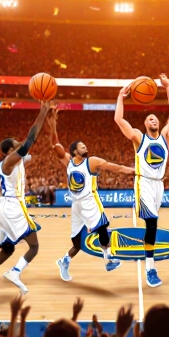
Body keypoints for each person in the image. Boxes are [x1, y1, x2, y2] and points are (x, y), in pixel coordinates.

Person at [0, 101, 51, 295]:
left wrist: (52, 124)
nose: (20, 147)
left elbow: (28, 153)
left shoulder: (13, 162)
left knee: (8, 248)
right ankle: (15, 272)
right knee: (34, 246)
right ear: (10, 151)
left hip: (6, 205)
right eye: (16, 145)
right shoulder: (9, 162)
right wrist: (42, 112)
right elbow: (30, 140)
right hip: (11, 207)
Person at [47, 107, 132, 280]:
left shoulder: (91, 162)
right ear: (74, 152)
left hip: (88, 200)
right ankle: (65, 261)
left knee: (102, 227)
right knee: (77, 243)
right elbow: (55, 144)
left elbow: (114, 167)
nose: (85, 146)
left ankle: (107, 260)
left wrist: (133, 171)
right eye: (81, 146)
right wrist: (52, 125)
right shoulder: (69, 162)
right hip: (78, 204)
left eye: (85, 145)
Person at [114, 74, 169, 288]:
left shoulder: (166, 137)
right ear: (144, 124)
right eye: (149, 118)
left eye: (156, 118)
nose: (154, 120)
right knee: (152, 223)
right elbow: (119, 120)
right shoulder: (139, 138)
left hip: (159, 184)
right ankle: (151, 268)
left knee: (153, 224)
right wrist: (120, 98)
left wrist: (168, 87)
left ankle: (150, 264)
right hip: (143, 183)